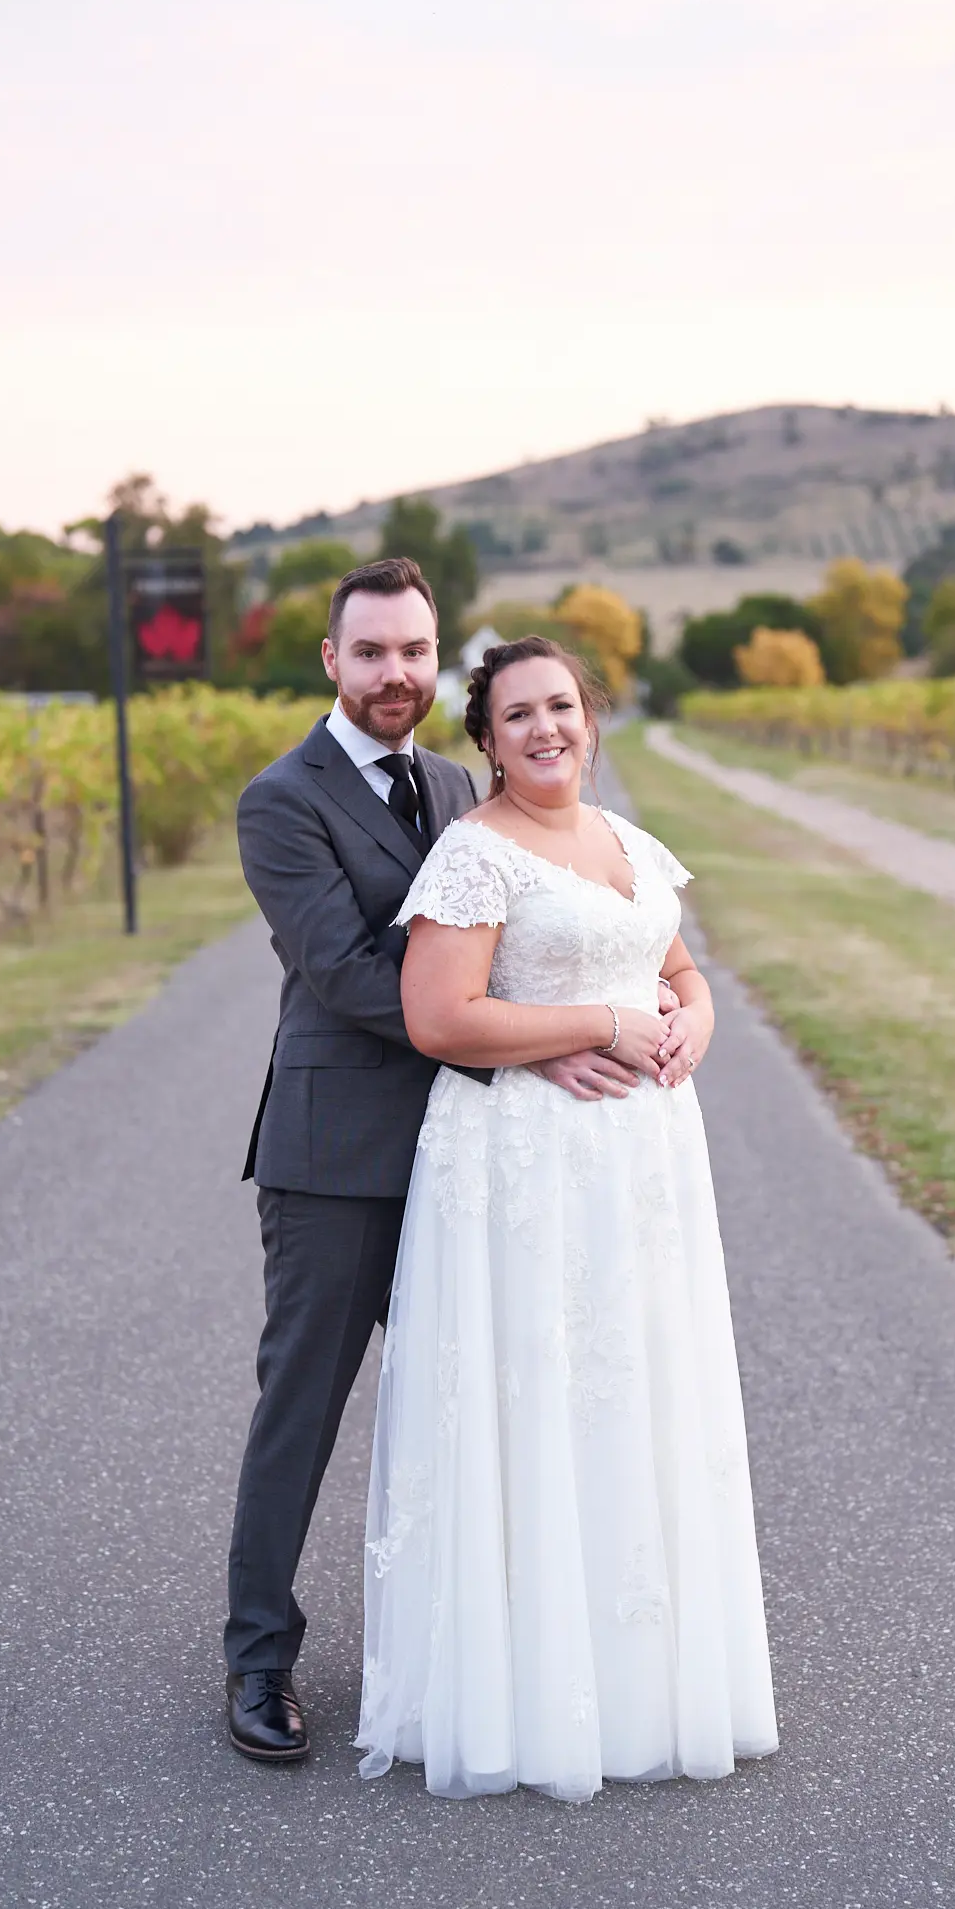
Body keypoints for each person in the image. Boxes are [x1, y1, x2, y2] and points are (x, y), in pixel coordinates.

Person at [224, 561, 648, 1761]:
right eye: (371, 653)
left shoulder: (462, 780)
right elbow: (362, 976)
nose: (396, 673)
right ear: (331, 660)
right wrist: (542, 1046)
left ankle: (476, 1640)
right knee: (301, 1408)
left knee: (476, 1403)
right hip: (338, 1155)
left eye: (414, 651)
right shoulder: (282, 799)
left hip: (476, 1158)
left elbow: (505, 953)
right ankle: (258, 1656)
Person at [356, 636, 778, 1800]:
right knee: (536, 1391)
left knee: (636, 1388)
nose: (544, 728)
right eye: (516, 715)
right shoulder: (473, 854)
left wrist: (692, 1023)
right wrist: (595, 1021)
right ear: (484, 741)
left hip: (641, 1162)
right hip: (522, 1167)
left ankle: (637, 1670)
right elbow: (439, 1016)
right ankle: (525, 1683)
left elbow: (682, 973)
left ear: (589, 719)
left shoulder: (631, 844)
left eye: (560, 706)